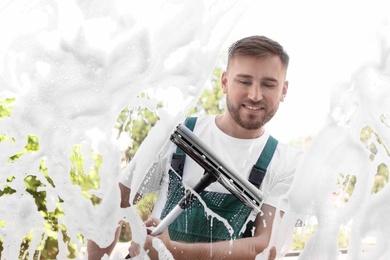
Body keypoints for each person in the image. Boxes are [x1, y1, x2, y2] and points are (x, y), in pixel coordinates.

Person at [87, 35, 302, 259]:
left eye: (268, 84)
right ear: (225, 82)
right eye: (244, 81)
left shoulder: (287, 163)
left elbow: (267, 249)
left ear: (284, 90)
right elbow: (114, 207)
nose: (255, 95)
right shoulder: (175, 134)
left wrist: (172, 251)